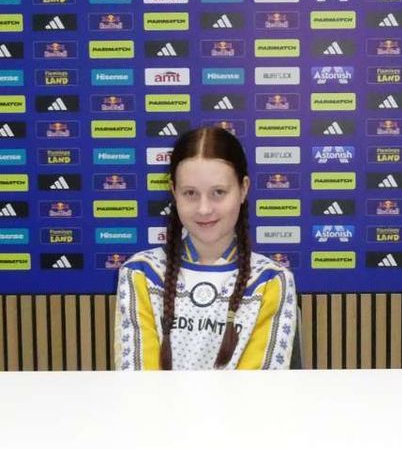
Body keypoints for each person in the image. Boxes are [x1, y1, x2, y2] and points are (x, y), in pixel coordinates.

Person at [114, 125, 298, 369]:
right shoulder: (141, 273)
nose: (204, 209)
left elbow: (259, 387)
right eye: (190, 193)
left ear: (243, 189)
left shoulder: (271, 280)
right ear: (173, 191)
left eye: (218, 192)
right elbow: (138, 381)